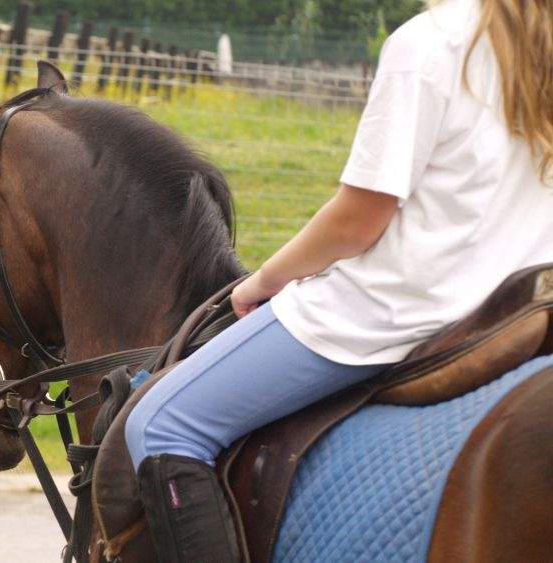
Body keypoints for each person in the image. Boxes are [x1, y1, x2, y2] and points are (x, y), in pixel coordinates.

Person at [124, 0, 553, 560]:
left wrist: (264, 280)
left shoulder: (432, 43)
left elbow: (357, 223)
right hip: (516, 313)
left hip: (393, 315)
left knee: (160, 425)